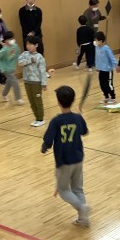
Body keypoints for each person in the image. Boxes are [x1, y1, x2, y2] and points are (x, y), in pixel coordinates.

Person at [41, 86, 91, 227]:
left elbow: (48, 140)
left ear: (58, 102)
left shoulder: (56, 121)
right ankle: (83, 219)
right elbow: (85, 132)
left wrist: (44, 147)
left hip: (64, 161)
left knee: (63, 191)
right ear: (73, 100)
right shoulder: (78, 118)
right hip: (78, 159)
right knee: (78, 189)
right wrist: (79, 121)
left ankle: (82, 208)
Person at [18, 36, 49, 127]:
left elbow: (42, 71)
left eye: (31, 44)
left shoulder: (40, 57)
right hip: (27, 81)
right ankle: (36, 118)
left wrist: (44, 83)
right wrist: (30, 60)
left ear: (36, 45)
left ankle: (40, 119)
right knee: (31, 101)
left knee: (37, 101)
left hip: (36, 82)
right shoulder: (24, 54)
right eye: (27, 44)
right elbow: (19, 63)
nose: (28, 46)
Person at [0, 31, 24, 104]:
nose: (11, 40)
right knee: (15, 82)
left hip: (12, 68)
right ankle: (18, 99)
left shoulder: (15, 46)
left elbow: (18, 54)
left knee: (9, 82)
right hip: (6, 69)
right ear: (5, 40)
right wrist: (1, 68)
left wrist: (21, 61)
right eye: (9, 39)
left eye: (12, 38)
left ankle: (4, 94)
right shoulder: (4, 49)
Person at [94, 31, 117, 104]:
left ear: (101, 41)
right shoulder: (97, 48)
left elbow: (112, 58)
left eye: (96, 40)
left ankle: (113, 98)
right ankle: (106, 97)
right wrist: (97, 66)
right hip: (101, 70)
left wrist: (116, 66)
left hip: (108, 70)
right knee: (102, 84)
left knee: (108, 84)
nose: (95, 41)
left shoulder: (106, 48)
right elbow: (97, 58)